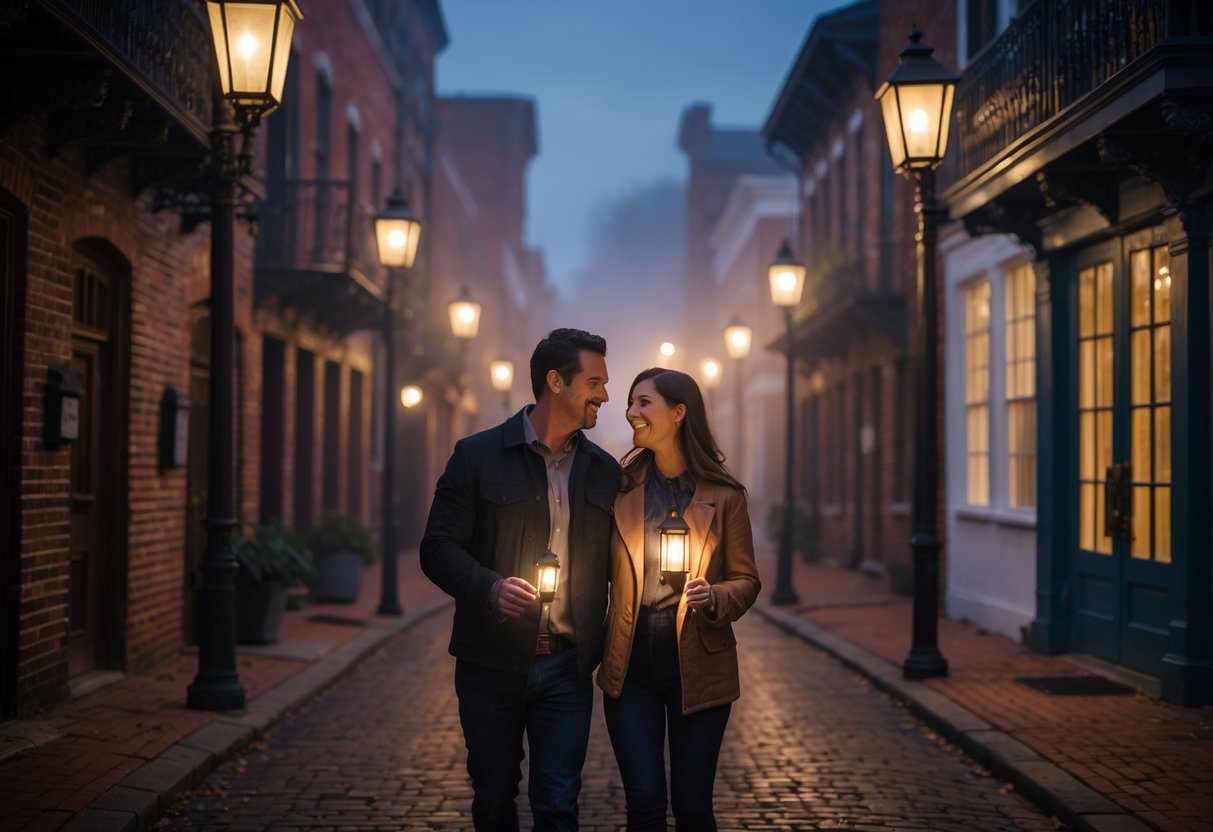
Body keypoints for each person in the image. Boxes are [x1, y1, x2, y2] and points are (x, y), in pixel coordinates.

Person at [420, 328, 621, 832]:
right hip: (489, 663)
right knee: (492, 799)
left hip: (567, 669)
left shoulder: (605, 472)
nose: (605, 395)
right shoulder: (477, 456)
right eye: (594, 382)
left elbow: (627, 566)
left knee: (557, 805)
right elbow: (437, 548)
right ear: (556, 382)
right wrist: (489, 588)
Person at [597, 367, 761, 831]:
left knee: (692, 807)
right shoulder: (619, 488)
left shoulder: (726, 496)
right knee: (645, 803)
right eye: (630, 403)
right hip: (630, 668)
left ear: (679, 411)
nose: (631, 413)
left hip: (701, 668)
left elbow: (747, 580)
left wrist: (715, 595)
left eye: (643, 403)